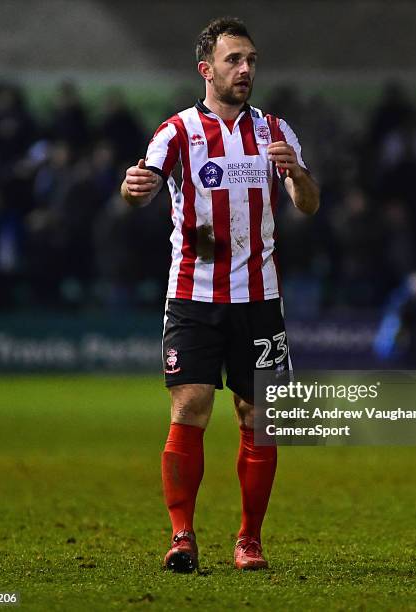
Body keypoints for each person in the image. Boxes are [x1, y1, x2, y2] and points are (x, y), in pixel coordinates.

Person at [121, 16, 319, 572]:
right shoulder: (178, 131)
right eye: (234, 60)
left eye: (251, 60)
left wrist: (298, 175)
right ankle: (182, 536)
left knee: (258, 417)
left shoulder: (276, 132)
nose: (246, 69)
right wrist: (131, 187)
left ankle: (249, 539)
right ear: (206, 69)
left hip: (259, 300)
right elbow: (141, 186)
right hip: (193, 296)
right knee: (191, 406)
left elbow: (307, 204)